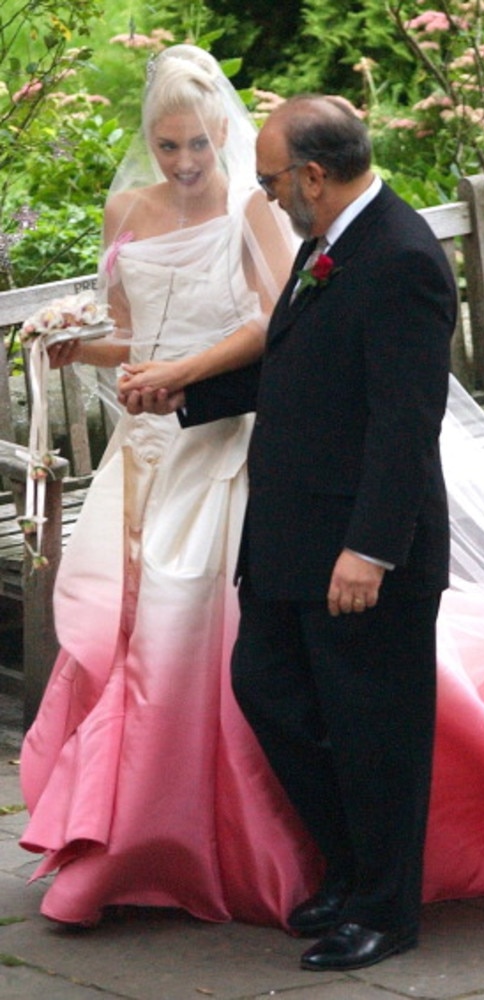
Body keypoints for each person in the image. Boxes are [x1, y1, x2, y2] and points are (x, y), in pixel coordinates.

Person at [120, 93, 484, 973]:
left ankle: (384, 910)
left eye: (273, 179)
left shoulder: (401, 257)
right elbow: (299, 364)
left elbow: (406, 423)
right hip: (291, 535)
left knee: (376, 734)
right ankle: (352, 868)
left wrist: (368, 552)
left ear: (315, 177)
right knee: (271, 693)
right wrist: (189, 395)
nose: (269, 194)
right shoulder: (330, 244)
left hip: (363, 549)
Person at [18, 45, 320, 927]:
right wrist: (73, 344)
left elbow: (276, 324)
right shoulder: (125, 208)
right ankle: (107, 830)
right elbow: (129, 331)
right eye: (167, 146)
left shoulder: (251, 210)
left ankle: (190, 834)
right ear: (147, 138)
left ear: (222, 131)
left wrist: (182, 372)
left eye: (197, 144)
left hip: (222, 439)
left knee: (186, 636)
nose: (185, 164)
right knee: (115, 631)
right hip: (142, 445)